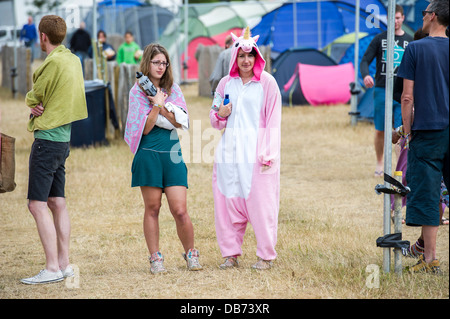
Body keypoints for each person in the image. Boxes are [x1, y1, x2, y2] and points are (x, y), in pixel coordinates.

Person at [20, 15, 88, 284]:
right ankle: (64, 264)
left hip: (47, 139)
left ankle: (51, 268)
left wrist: (32, 102)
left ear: (42, 36)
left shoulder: (52, 63)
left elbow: (35, 94)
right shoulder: (73, 60)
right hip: (63, 141)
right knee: (57, 202)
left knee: (36, 205)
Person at [124, 43, 202, 274]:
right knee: (153, 208)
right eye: (156, 62)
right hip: (148, 153)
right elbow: (145, 129)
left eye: (164, 62)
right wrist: (158, 107)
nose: (160, 66)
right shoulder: (137, 92)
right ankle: (155, 258)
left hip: (172, 153)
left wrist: (160, 106)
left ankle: (191, 254)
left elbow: (181, 122)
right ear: (147, 63)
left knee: (180, 210)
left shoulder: (173, 89)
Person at [209, 27, 281, 270]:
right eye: (241, 55)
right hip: (229, 155)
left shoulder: (268, 83)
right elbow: (214, 118)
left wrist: (268, 153)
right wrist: (220, 113)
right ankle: (230, 254)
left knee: (262, 206)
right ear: (234, 57)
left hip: (257, 156)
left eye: (250, 56)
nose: (246, 60)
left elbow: (273, 120)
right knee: (227, 205)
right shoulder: (224, 84)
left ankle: (265, 255)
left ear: (257, 57)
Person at [397, 0, 449, 274]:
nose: (422, 16)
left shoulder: (415, 48)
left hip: (427, 132)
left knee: (429, 196)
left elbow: (407, 97)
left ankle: (430, 260)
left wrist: (406, 132)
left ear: (432, 16)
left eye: (424, 12)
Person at [360, 5, 413, 177]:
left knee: (402, 129)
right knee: (380, 129)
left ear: (403, 18)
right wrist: (366, 75)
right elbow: (365, 60)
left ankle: (400, 168)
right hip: (382, 89)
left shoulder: (410, 41)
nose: (396, 21)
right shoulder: (380, 39)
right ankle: (380, 163)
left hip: (402, 92)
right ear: (388, 19)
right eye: (393, 18)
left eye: (398, 18)